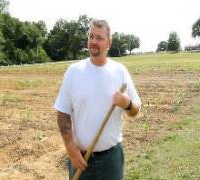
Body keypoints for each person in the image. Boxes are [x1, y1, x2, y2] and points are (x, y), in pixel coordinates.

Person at [54, 19, 141, 180]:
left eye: (99, 38)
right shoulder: (74, 72)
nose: (93, 41)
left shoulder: (119, 71)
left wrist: (126, 103)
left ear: (108, 43)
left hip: (111, 160)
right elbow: (63, 113)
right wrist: (71, 150)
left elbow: (136, 109)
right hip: (80, 158)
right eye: (91, 36)